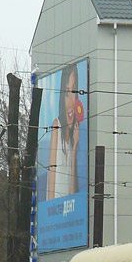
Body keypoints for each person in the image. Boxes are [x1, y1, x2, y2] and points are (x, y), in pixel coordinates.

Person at [47, 63, 82, 200]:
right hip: (54, 210)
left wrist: (74, 149)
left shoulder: (74, 135)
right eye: (67, 93)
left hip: (67, 212)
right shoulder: (57, 125)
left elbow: (72, 192)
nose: (71, 102)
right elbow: (51, 183)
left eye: (74, 91)